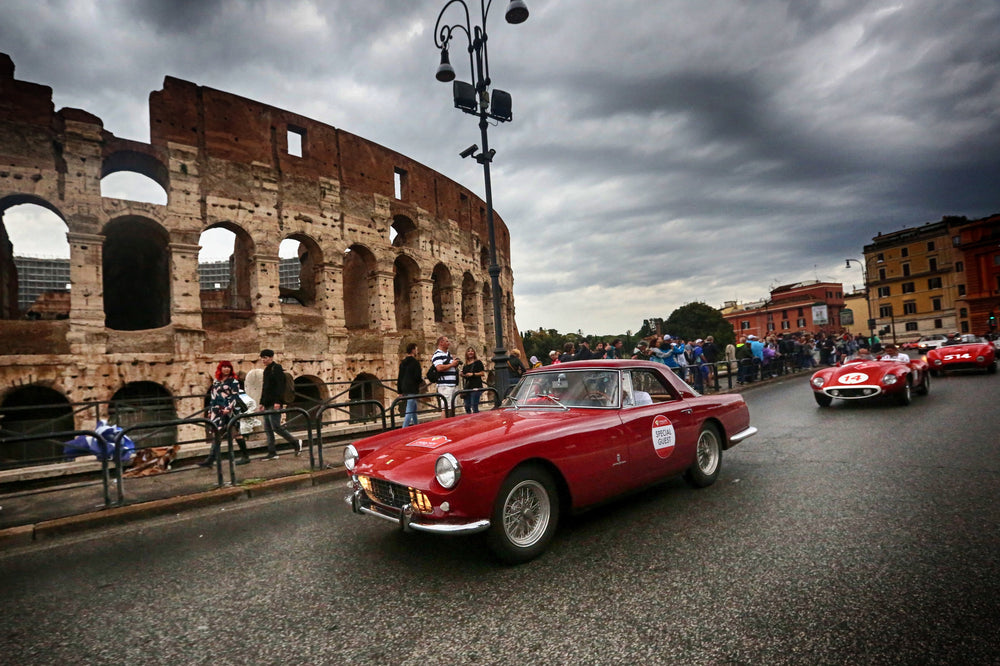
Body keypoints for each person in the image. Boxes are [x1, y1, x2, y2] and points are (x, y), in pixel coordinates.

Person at [200, 360, 252, 467]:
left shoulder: (234, 382)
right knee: (217, 433)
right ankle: (210, 460)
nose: (226, 369)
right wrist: (210, 410)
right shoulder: (216, 381)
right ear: (220, 368)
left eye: (228, 367)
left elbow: (235, 396)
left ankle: (246, 456)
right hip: (217, 411)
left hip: (230, 412)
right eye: (224, 367)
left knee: (236, 434)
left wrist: (229, 408)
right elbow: (213, 397)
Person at [257, 349, 302, 460]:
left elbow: (280, 386)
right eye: (262, 357)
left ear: (271, 358)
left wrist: (278, 401)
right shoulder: (266, 370)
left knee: (276, 426)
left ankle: (295, 442)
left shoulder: (276, 368)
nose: (264, 360)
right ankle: (272, 452)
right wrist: (262, 403)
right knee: (268, 428)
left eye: (266, 357)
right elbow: (265, 387)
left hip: (274, 403)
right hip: (267, 403)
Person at [431, 336, 461, 417]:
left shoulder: (448, 354)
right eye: (447, 341)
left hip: (452, 384)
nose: (449, 343)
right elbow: (439, 368)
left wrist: (454, 365)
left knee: (452, 407)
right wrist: (452, 364)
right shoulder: (437, 354)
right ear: (441, 343)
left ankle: (452, 425)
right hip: (445, 385)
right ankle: (444, 427)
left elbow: (449, 367)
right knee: (445, 408)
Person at [398, 343, 423, 427]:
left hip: (404, 387)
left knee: (413, 408)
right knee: (409, 410)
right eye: (416, 349)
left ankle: (416, 425)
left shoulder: (403, 363)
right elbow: (417, 377)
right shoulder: (415, 363)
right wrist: (420, 381)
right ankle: (404, 428)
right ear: (413, 350)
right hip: (412, 387)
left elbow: (400, 377)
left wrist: (399, 391)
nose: (417, 351)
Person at [461, 347, 486, 413]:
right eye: (469, 351)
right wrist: (463, 375)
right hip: (468, 387)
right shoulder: (465, 364)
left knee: (474, 406)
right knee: (467, 406)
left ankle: (476, 420)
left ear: (474, 353)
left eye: (472, 351)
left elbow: (482, 373)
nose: (470, 352)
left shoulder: (478, 362)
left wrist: (473, 374)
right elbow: (466, 376)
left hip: (476, 385)